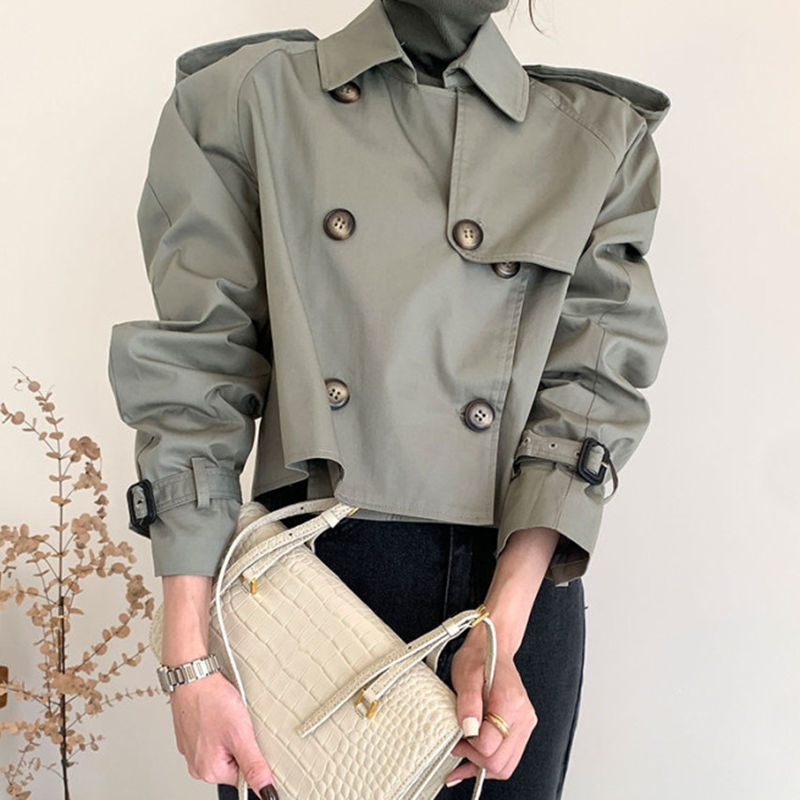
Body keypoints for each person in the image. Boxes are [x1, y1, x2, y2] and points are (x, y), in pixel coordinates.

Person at [107, 0, 671, 798]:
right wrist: (188, 662)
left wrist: (498, 629)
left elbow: (589, 397)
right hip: (305, 587)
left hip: (508, 599)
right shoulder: (245, 99)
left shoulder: (598, 137)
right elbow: (194, 378)